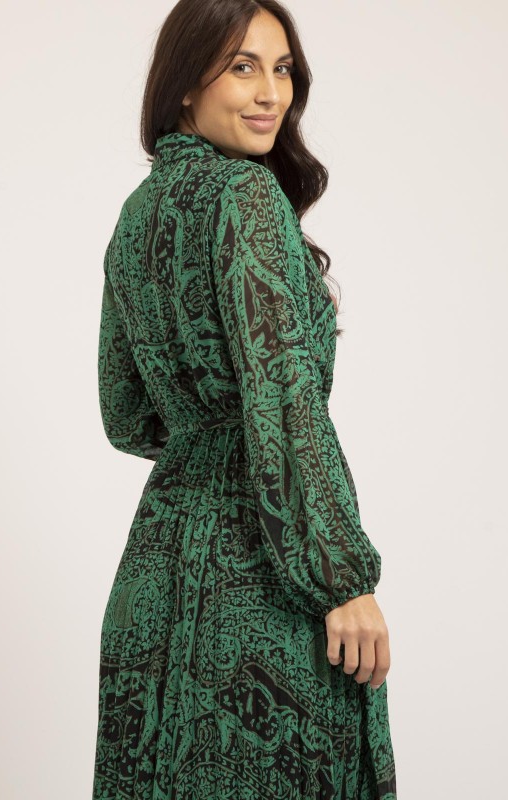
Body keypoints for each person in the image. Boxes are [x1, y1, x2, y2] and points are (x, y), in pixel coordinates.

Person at [93, 1, 397, 798]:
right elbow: (284, 400)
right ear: (185, 85)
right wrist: (341, 578)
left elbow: (126, 413)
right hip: (262, 584)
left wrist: (204, 441)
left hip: (154, 581)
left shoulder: (136, 215)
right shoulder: (246, 195)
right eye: (242, 67)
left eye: (283, 68)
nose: (271, 93)